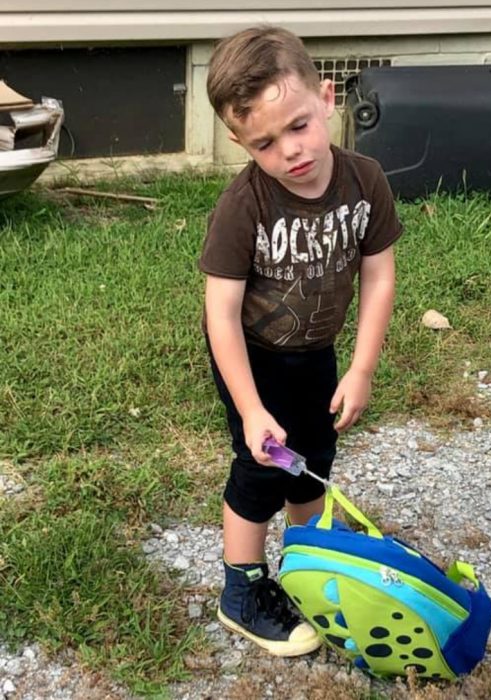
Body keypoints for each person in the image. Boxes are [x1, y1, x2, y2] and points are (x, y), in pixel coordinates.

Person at [199, 25, 403, 657]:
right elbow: (222, 313)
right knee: (260, 465)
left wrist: (362, 368)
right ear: (239, 141)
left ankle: (304, 571)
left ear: (327, 97)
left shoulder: (365, 183)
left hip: (316, 352)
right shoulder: (245, 205)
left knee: (313, 464)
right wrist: (252, 405)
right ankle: (243, 588)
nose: (289, 151)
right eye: (263, 143)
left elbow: (379, 274)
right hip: (252, 359)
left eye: (297, 126)